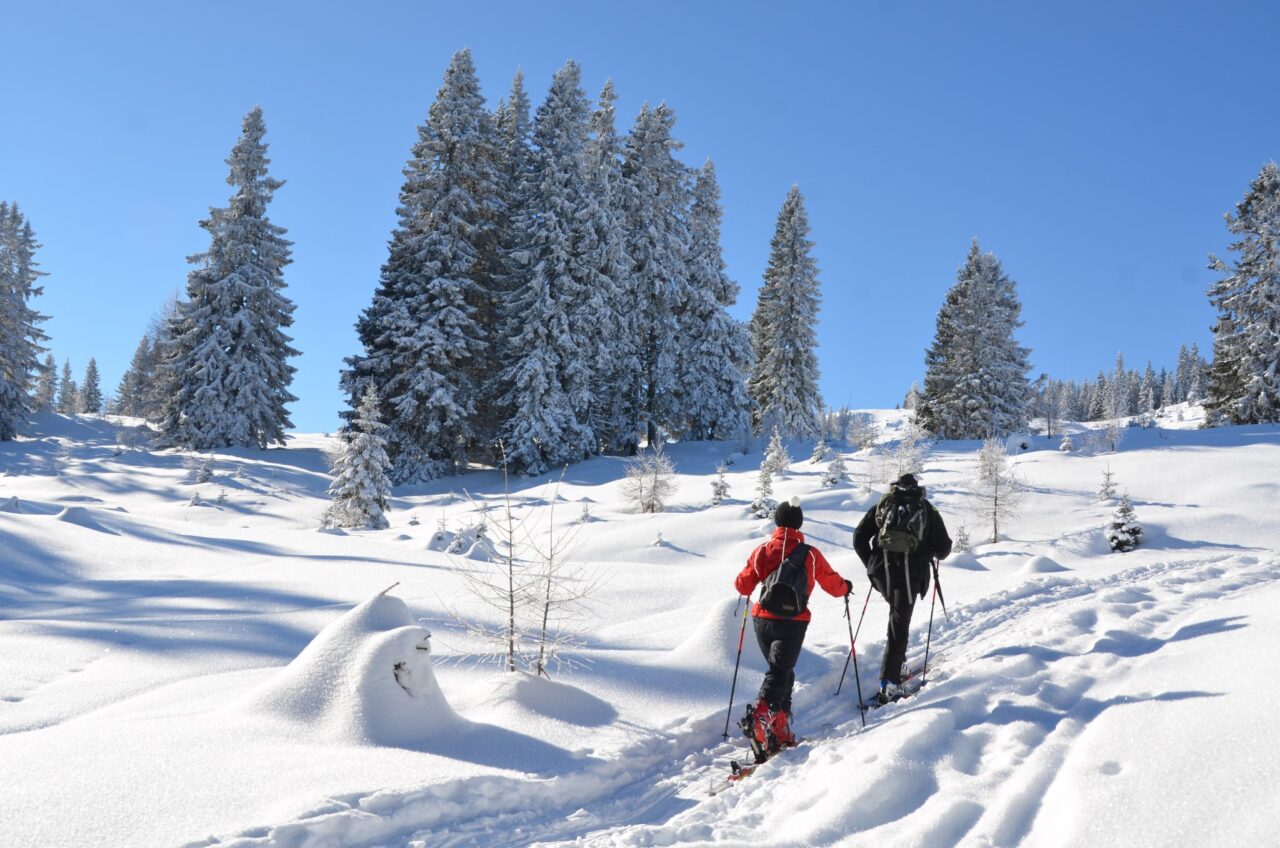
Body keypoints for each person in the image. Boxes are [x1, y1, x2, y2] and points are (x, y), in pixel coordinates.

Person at [734, 496, 851, 760]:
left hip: (762, 620)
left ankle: (780, 728)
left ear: (777, 521)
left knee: (782, 672)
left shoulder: (762, 550)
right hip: (793, 623)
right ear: (799, 524)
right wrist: (847, 588)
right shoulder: (809, 554)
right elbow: (832, 584)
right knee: (780, 671)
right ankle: (761, 720)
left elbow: (742, 586)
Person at [853, 473, 952, 705]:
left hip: (881, 573)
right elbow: (944, 549)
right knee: (899, 624)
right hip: (910, 575)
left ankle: (896, 665)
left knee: (897, 618)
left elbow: (859, 537)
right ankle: (889, 682)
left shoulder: (883, 504)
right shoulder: (927, 509)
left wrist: (870, 563)